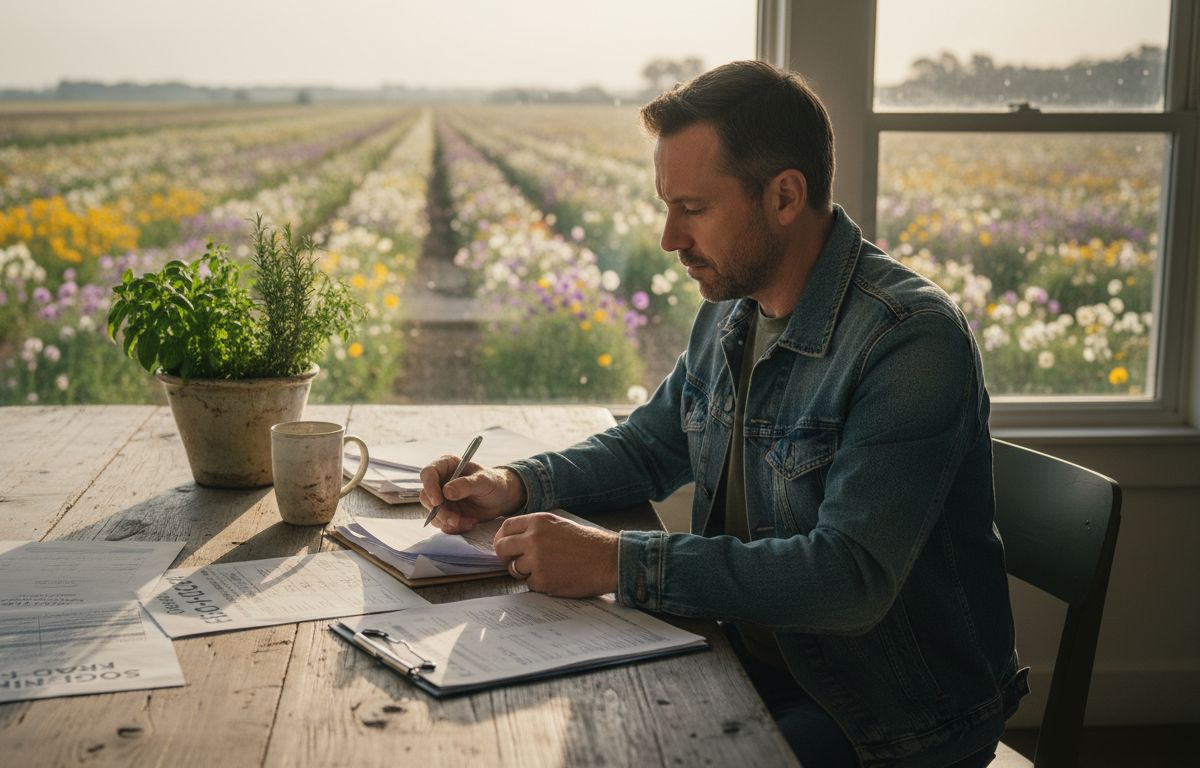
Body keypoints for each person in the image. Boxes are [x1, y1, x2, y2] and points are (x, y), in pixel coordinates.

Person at [420, 60, 1027, 768]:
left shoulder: (910, 340)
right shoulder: (736, 310)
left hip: (888, 717)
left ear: (785, 197)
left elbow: (849, 580)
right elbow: (649, 447)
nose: (669, 238)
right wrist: (511, 483)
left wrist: (619, 560)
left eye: (693, 208)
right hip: (747, 659)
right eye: (666, 206)